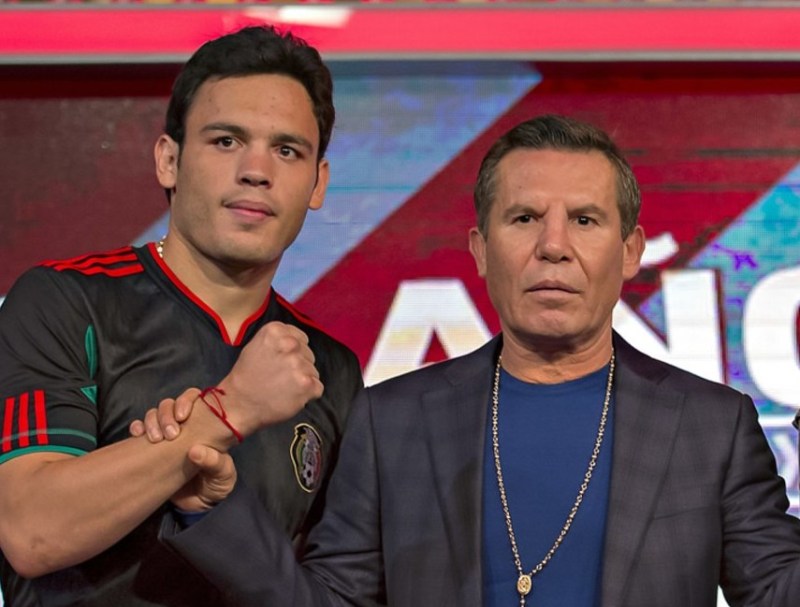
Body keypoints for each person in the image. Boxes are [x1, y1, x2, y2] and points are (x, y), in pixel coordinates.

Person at [151, 114, 800, 606]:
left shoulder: (712, 426)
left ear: (630, 251)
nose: (553, 246)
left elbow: (777, 592)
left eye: (584, 220)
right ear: (481, 249)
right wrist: (216, 510)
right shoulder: (391, 421)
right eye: (524, 218)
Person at [0, 25, 362, 607]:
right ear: (169, 160)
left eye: (287, 150)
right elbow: (30, 531)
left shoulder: (331, 371)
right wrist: (229, 410)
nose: (256, 170)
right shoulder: (64, 302)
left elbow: (326, 595)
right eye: (226, 141)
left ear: (317, 182)